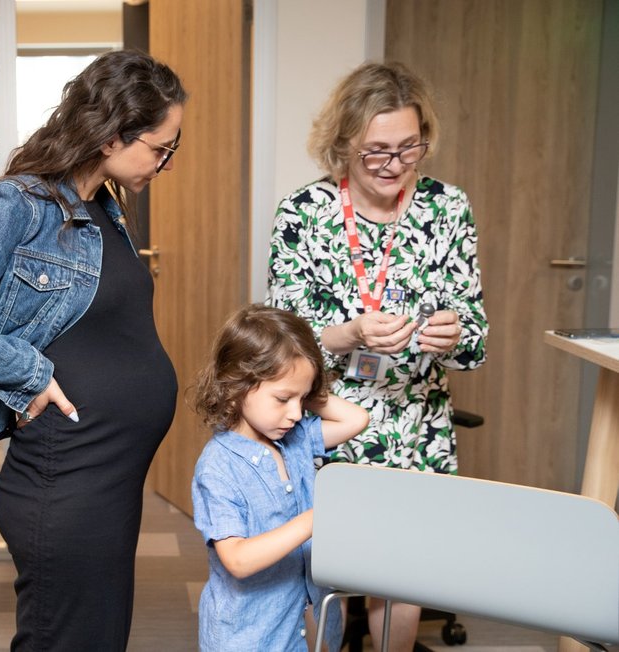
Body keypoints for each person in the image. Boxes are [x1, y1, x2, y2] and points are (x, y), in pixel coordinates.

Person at [0, 50, 187, 651]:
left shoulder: (102, 205)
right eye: (160, 148)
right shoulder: (22, 205)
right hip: (66, 481)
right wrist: (26, 373)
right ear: (111, 136)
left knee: (97, 638)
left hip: (108, 479)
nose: (165, 162)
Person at [266, 61, 488, 651]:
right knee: (321, 571)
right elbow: (281, 339)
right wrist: (349, 334)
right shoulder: (304, 215)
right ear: (342, 145)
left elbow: (477, 341)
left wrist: (453, 335)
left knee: (402, 575)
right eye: (376, 152)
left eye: (408, 149)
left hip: (416, 425)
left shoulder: (447, 209)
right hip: (322, 422)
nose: (394, 166)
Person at [190, 304, 370, 652]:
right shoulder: (218, 466)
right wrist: (313, 520)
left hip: (306, 625)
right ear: (238, 385)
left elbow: (356, 420)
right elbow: (238, 560)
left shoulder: (297, 436)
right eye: (283, 398)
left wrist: (303, 388)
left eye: (303, 399)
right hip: (249, 636)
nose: (296, 413)